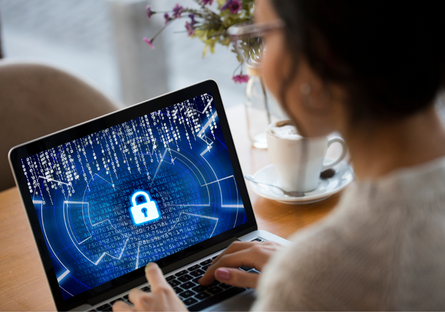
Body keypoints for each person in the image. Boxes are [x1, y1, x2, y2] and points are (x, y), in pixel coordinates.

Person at [113, 0, 445, 310]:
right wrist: (301, 264)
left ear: (318, 59)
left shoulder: (315, 280)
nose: (258, 61)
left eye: (262, 37)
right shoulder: (318, 272)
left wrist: (307, 274)